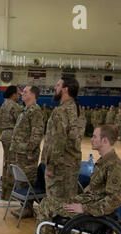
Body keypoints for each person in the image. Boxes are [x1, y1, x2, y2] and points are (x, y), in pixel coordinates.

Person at [24, 125, 121, 234]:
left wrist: (84, 208)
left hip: (92, 211)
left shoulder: (115, 166)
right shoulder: (105, 161)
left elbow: (115, 200)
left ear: (105, 141)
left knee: (47, 206)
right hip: (86, 202)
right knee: (48, 202)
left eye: (95, 136)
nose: (91, 139)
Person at [40, 76, 86, 208]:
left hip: (59, 166)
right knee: (69, 201)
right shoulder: (78, 109)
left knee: (54, 203)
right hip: (72, 163)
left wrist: (50, 165)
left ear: (65, 89)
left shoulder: (60, 111)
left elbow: (58, 141)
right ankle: (66, 227)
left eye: (58, 85)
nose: (55, 88)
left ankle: (53, 228)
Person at [7, 86, 45, 218]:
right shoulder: (25, 110)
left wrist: (30, 151)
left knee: (27, 179)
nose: (22, 94)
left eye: (25, 92)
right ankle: (24, 207)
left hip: (27, 154)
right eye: (22, 92)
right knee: (20, 181)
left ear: (33, 95)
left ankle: (28, 208)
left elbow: (37, 132)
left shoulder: (35, 111)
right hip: (19, 151)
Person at [0, 86, 22, 200]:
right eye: (18, 93)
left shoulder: (3, 105)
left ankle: (4, 191)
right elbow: (20, 122)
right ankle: (9, 193)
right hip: (12, 135)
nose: (19, 95)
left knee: (6, 163)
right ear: (13, 94)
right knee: (12, 164)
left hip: (4, 134)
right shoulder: (14, 105)